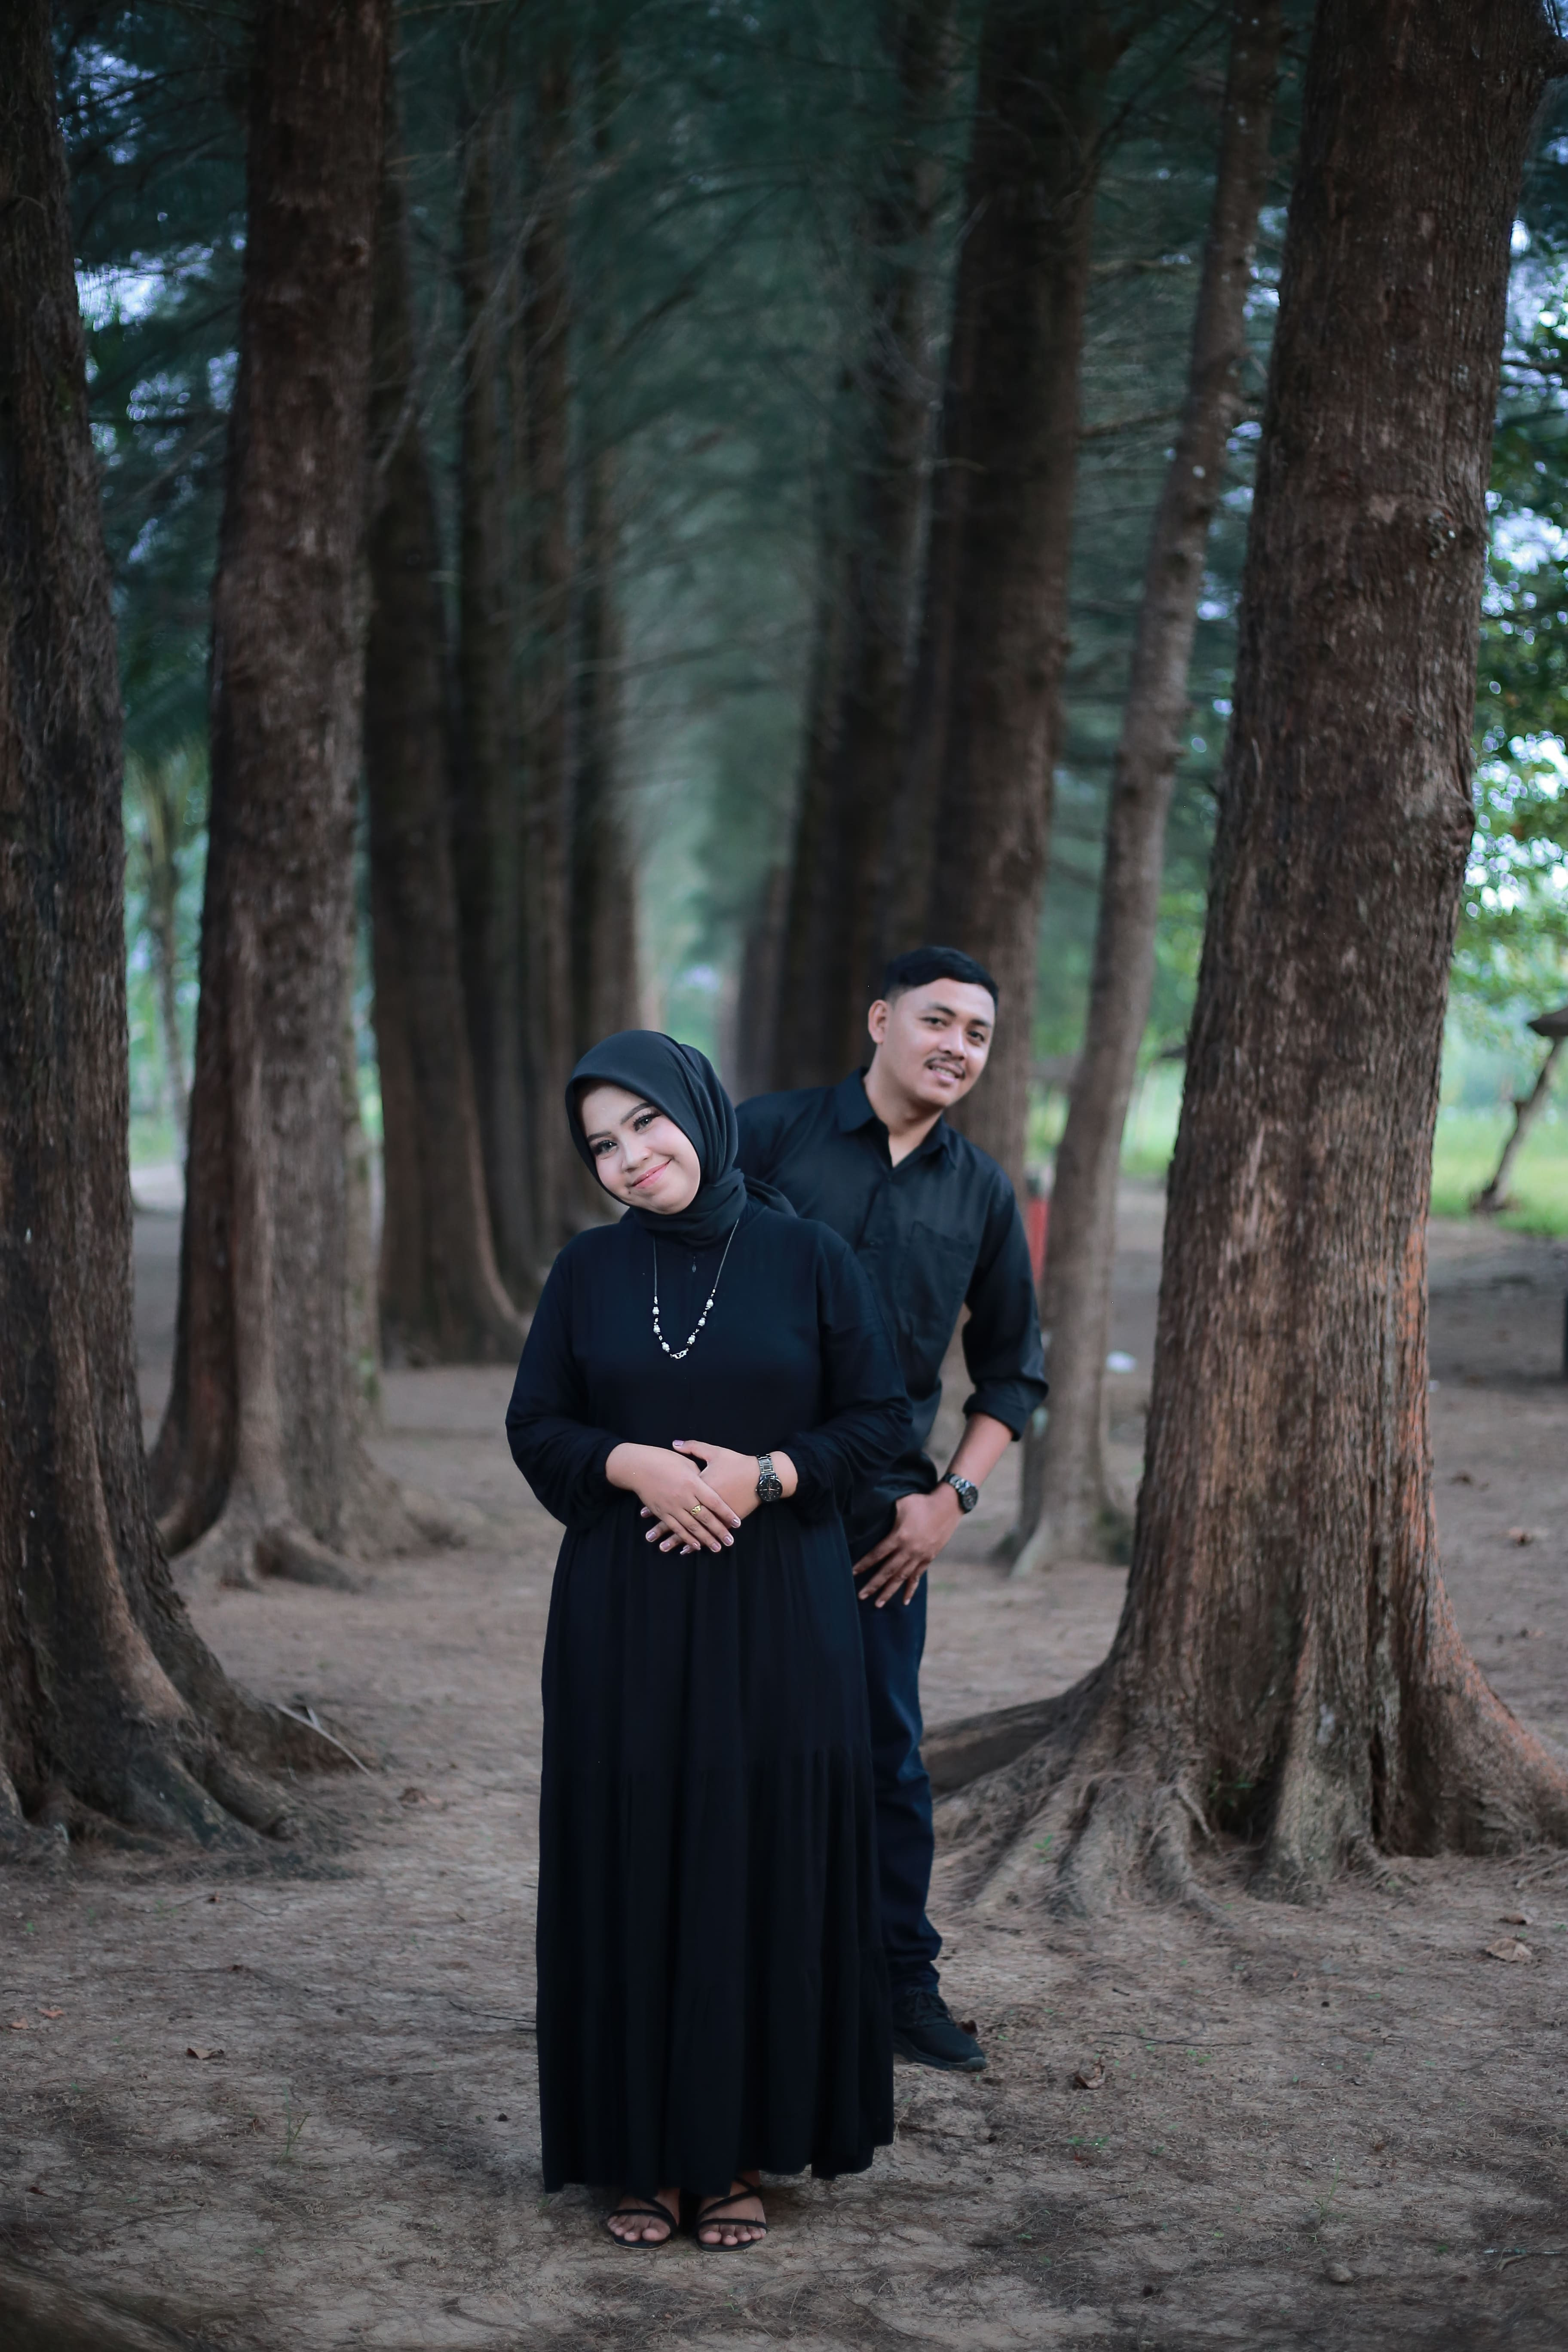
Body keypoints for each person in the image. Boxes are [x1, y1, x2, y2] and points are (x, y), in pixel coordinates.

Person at [505, 1031, 911, 2251]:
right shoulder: (586, 1271)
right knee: (637, 1859)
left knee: (755, 1860)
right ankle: (642, 2153)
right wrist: (628, 1463)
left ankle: (736, 2149)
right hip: (623, 1617)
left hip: (779, 1613)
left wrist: (767, 1475)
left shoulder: (810, 1257)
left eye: (647, 1123)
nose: (631, 1157)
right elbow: (537, 1425)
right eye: (603, 1145)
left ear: (700, 1111)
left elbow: (880, 1420)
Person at [737, 946, 1046, 2076]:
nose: (957, 1046)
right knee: (726, 1744)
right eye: (938, 1020)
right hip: (738, 1497)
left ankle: (899, 1983)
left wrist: (950, 1502)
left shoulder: (983, 1192)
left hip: (880, 1522)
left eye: (978, 1034)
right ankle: (719, 1976)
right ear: (880, 1020)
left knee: (886, 1758)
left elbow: (1013, 1373)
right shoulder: (765, 1136)